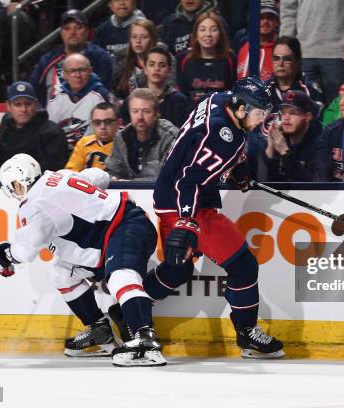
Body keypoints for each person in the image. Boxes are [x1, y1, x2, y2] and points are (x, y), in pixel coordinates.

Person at [144, 77, 285, 359]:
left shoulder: (219, 99)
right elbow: (189, 182)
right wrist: (186, 221)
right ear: (242, 107)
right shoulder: (223, 137)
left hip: (171, 193)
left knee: (178, 269)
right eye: (259, 113)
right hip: (186, 203)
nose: (261, 120)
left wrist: (237, 169)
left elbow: (203, 154)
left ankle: (126, 310)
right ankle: (247, 334)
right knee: (243, 266)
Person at [0, 153, 165, 366]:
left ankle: (145, 340)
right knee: (62, 272)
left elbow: (25, 250)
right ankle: (100, 332)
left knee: (121, 276)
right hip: (118, 232)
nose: (16, 193)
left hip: (124, 228)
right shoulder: (59, 175)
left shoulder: (35, 204)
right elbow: (99, 176)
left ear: (20, 182)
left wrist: (4, 255)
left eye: (14, 187)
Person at [280, 0, 344, 103]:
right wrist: (287, 46)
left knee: (339, 108)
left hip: (339, 55)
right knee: (300, 109)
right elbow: (288, 9)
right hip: (303, 54)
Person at [29, 9, 113, 106]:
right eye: (67, 28)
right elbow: (32, 91)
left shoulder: (100, 57)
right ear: (61, 33)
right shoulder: (47, 60)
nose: (72, 32)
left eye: (78, 27)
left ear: (87, 32)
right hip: (53, 116)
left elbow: (104, 93)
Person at [0, 81, 68, 174]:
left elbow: (54, 168)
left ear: (36, 104)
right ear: (8, 106)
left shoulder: (52, 132)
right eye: (18, 104)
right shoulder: (6, 129)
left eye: (28, 104)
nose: (23, 109)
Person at [247, 90, 322, 181]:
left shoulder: (320, 142)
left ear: (307, 117)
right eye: (283, 112)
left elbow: (313, 185)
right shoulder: (279, 138)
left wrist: (285, 152)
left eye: (293, 113)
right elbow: (262, 182)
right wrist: (270, 151)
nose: (286, 118)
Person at [105, 88, 178, 180]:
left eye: (146, 111)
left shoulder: (170, 137)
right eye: (135, 111)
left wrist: (129, 183)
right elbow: (113, 171)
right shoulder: (121, 137)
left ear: (156, 114)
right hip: (127, 192)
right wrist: (113, 178)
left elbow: (167, 178)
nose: (140, 117)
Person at [47, 54, 110, 148]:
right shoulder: (55, 99)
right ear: (64, 75)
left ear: (90, 71)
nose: (77, 75)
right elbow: (49, 135)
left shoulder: (102, 96)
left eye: (82, 70)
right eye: (72, 71)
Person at [176, 12, 236, 106]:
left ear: (220, 33)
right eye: (202, 30)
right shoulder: (184, 59)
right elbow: (181, 95)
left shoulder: (230, 59)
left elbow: (235, 93)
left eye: (213, 30)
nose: (208, 34)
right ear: (196, 34)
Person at [266, 36, 324, 115]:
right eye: (276, 58)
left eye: (287, 59)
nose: (280, 63)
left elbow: (317, 123)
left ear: (298, 62)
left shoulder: (310, 92)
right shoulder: (263, 90)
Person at [142, 47, 190, 127]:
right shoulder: (134, 100)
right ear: (145, 69)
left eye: (162, 65)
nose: (157, 69)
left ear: (169, 70)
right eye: (152, 64)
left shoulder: (180, 101)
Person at [112, 19, 159, 100]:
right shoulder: (121, 60)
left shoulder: (162, 59)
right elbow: (115, 92)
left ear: (152, 39)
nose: (138, 41)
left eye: (144, 37)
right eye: (134, 37)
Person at [65, 102, 117, 172]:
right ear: (92, 124)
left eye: (108, 122)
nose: (103, 127)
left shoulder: (126, 143)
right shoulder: (84, 143)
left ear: (118, 122)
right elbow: (71, 173)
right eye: (97, 122)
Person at [236, 0, 279, 81]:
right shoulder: (243, 45)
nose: (265, 21)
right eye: (261, 17)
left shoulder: (280, 52)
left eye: (270, 17)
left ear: (277, 22)